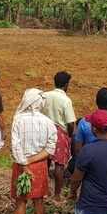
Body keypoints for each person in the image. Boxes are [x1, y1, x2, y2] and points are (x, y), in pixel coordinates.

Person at [71, 110, 107, 214]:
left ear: (94, 129)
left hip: (89, 208)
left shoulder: (88, 150)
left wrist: (72, 193)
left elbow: (76, 179)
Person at [11, 88, 57, 214]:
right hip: (39, 165)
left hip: (20, 165)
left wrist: (25, 165)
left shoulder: (18, 120)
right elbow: (50, 149)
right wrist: (31, 161)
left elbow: (16, 146)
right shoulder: (48, 122)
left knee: (20, 201)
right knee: (39, 201)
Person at [41, 71, 76, 202]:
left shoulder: (45, 95)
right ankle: (57, 195)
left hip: (45, 130)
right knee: (59, 165)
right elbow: (71, 123)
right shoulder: (66, 100)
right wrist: (70, 135)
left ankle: (43, 190)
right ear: (66, 85)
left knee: (45, 161)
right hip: (60, 133)